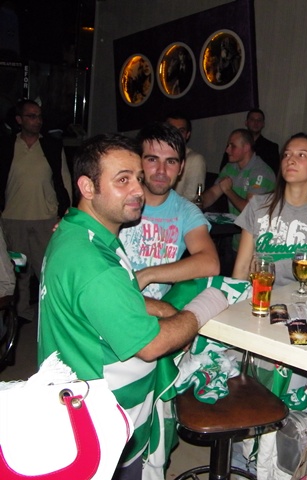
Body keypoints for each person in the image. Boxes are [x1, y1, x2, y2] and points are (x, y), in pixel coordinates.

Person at [37, 133, 229, 480]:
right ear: (87, 187)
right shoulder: (95, 263)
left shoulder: (83, 234)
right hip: (100, 420)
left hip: (85, 399)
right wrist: (203, 307)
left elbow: (111, 300)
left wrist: (164, 309)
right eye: (123, 180)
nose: (138, 190)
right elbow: (151, 344)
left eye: (137, 178)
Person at [119, 122, 220, 300]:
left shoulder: (186, 211)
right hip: (111, 299)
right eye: (152, 159)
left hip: (153, 309)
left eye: (171, 162)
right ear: (138, 161)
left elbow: (210, 263)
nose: (161, 171)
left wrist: (147, 275)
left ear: (181, 167)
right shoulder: (117, 200)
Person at [232, 133, 307, 286]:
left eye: (301, 155)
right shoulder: (258, 206)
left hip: (300, 298)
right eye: (286, 154)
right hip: (259, 295)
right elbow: (242, 268)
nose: (290, 160)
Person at [0, 99, 71, 321]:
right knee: (17, 272)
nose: (37, 120)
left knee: (47, 269)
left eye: (39, 116)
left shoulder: (51, 146)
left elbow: (64, 178)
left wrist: (67, 210)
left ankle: (49, 314)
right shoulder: (7, 146)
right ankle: (20, 313)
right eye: (31, 116)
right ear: (19, 120)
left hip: (45, 218)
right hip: (13, 217)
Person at [202, 128, 275, 216]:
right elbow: (213, 193)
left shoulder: (261, 172)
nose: (227, 150)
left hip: (258, 223)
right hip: (236, 222)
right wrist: (196, 205)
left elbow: (250, 211)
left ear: (246, 148)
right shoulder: (230, 167)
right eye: (228, 145)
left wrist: (228, 191)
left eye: (233, 146)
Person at [220, 109, 280, 175]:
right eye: (252, 119)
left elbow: (274, 173)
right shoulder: (234, 145)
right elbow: (223, 169)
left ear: (263, 124)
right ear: (246, 122)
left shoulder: (271, 147)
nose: (256, 122)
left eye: (259, 120)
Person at [165, 111, 207, 200]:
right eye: (172, 130)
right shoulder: (155, 157)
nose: (176, 135)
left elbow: (191, 199)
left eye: (181, 131)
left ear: (187, 135)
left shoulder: (195, 160)